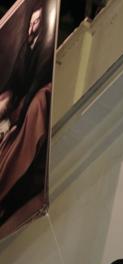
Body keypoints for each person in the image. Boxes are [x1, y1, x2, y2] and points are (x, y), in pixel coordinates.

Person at [0, 0, 54, 231]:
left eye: (38, 22)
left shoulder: (45, 46)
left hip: (39, 93)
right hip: (25, 98)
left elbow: (37, 81)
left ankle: (15, 176)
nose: (33, 26)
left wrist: (17, 119)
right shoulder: (26, 47)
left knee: (35, 109)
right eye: (32, 22)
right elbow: (17, 78)